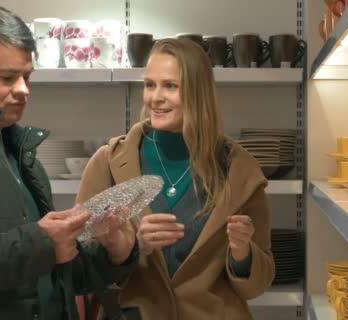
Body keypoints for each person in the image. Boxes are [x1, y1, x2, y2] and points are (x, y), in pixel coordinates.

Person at [0, 4, 135, 320]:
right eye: (8, 77)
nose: (24, 90)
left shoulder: (19, 151)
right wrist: (38, 244)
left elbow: (55, 278)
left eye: (27, 76)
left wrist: (113, 255)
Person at [76, 38, 275, 320]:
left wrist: (242, 254)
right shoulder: (107, 164)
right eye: (149, 84)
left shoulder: (240, 171)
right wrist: (132, 249)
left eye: (170, 86)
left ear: (198, 93)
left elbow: (259, 283)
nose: (155, 97)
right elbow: (78, 266)